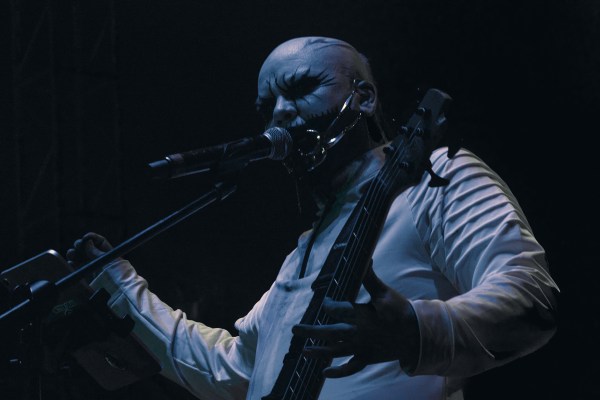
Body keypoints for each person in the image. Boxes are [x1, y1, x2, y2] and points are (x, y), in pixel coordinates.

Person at [66, 37, 559, 400]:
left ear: (364, 98)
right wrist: (117, 284)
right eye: (267, 107)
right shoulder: (301, 256)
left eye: (303, 87)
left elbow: (529, 296)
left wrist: (414, 329)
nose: (281, 112)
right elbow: (231, 370)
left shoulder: (436, 180)